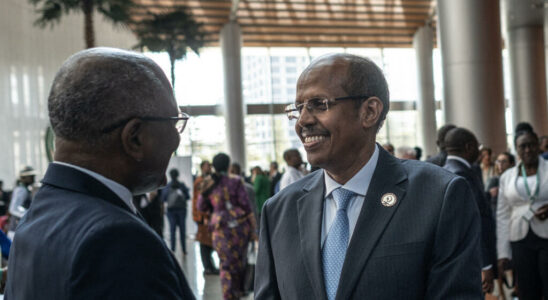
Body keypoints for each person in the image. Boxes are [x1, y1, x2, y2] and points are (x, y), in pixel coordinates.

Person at [255, 53, 482, 299]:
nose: (303, 121)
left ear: (369, 112)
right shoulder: (279, 211)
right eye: (298, 108)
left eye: (319, 104)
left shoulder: (438, 196)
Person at [5, 48, 194, 299]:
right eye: (173, 122)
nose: (176, 138)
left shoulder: (38, 216)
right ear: (134, 137)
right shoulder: (118, 242)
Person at [443, 127, 497, 294]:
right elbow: (473, 222)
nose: (479, 152)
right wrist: (485, 264)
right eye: (477, 146)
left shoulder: (444, 170)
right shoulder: (462, 175)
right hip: (472, 259)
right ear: (468, 147)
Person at [497, 125, 548, 299]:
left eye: (531, 145)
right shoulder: (507, 177)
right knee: (526, 287)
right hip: (519, 237)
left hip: (546, 234)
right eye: (522, 146)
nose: (527, 150)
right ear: (516, 149)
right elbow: (502, 215)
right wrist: (502, 252)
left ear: (538, 145)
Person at [198, 153, 255, 300]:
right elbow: (246, 206)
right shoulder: (236, 181)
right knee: (239, 263)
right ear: (228, 165)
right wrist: (254, 229)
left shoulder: (208, 182)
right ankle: (237, 292)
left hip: (220, 229)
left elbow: (201, 206)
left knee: (226, 265)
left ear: (213, 166)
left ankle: (229, 295)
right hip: (240, 228)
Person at [192, 160, 219, 275]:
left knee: (209, 241)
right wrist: (203, 216)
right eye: (206, 166)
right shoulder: (200, 181)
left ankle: (210, 266)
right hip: (203, 217)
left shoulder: (210, 180)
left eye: (209, 166)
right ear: (202, 167)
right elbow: (199, 200)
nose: (208, 168)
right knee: (204, 241)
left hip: (209, 216)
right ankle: (207, 267)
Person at [163, 168, 190, 254]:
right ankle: (184, 249)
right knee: (182, 230)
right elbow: (188, 197)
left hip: (171, 211)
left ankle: (173, 249)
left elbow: (163, 198)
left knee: (172, 230)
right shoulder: (181, 185)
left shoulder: (167, 186)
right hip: (181, 210)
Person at [7, 166, 36, 234]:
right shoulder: (21, 190)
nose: (33, 177)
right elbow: (14, 208)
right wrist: (29, 214)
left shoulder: (26, 189)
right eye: (31, 176)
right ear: (24, 178)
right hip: (16, 230)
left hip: (20, 229)